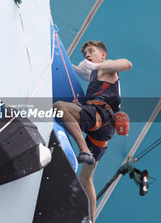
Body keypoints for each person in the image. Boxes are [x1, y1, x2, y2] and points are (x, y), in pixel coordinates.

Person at [53, 40, 132, 223]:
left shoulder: (107, 67)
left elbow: (127, 64)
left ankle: (84, 149)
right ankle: (92, 220)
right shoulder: (96, 73)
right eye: (85, 53)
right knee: (86, 177)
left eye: (91, 51)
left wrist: (98, 64)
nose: (87, 55)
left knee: (59, 106)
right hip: (102, 130)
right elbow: (69, 67)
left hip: (100, 115)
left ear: (103, 54)